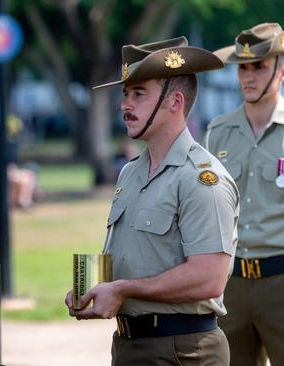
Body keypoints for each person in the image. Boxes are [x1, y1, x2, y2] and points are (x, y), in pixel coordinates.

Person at [64, 37, 239, 365]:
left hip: (183, 350)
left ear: (175, 102)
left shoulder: (202, 179)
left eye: (139, 94)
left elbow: (209, 277)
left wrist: (125, 289)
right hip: (130, 345)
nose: (125, 104)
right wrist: (93, 288)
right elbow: (137, 257)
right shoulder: (130, 174)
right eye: (125, 94)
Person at [205, 23, 284, 366]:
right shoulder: (218, 133)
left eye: (259, 66)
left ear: (283, 72)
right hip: (231, 285)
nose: (248, 76)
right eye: (243, 67)